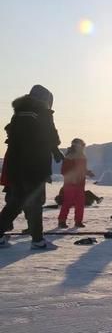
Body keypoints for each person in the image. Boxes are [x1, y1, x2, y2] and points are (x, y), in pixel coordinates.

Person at [0, 85, 63, 249]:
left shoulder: (19, 114)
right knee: (35, 203)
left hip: (16, 166)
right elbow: (51, 136)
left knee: (16, 202)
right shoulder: (42, 112)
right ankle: (37, 240)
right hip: (34, 166)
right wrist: (55, 150)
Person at [57, 138, 94, 228]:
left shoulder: (82, 156)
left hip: (80, 183)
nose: (83, 147)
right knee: (68, 202)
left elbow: (82, 169)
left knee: (80, 203)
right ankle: (62, 221)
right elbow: (64, 171)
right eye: (82, 145)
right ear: (78, 146)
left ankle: (78, 221)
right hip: (71, 183)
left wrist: (88, 172)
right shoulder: (69, 157)